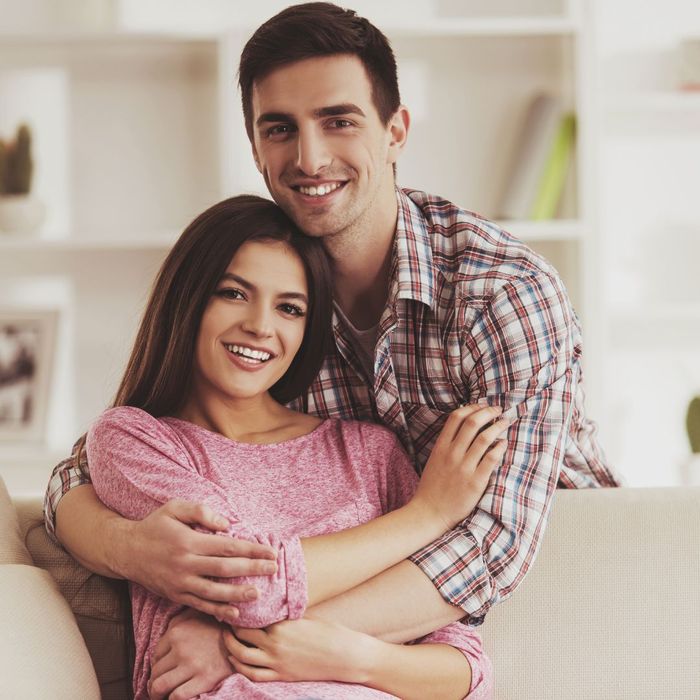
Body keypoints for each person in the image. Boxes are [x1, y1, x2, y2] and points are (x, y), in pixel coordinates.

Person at [44, 1, 620, 696]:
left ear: (395, 131)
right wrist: (132, 548)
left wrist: (244, 644)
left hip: (554, 576)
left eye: (338, 120)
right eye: (280, 129)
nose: (309, 158)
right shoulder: (274, 307)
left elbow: (488, 545)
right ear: (255, 148)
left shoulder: (501, 295)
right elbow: (81, 470)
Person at [85, 194, 501, 699]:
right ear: (186, 299)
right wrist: (427, 515)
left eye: (289, 307)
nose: (261, 326)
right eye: (233, 293)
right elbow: (247, 586)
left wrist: (355, 658)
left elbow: (465, 670)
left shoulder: (371, 453)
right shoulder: (136, 441)